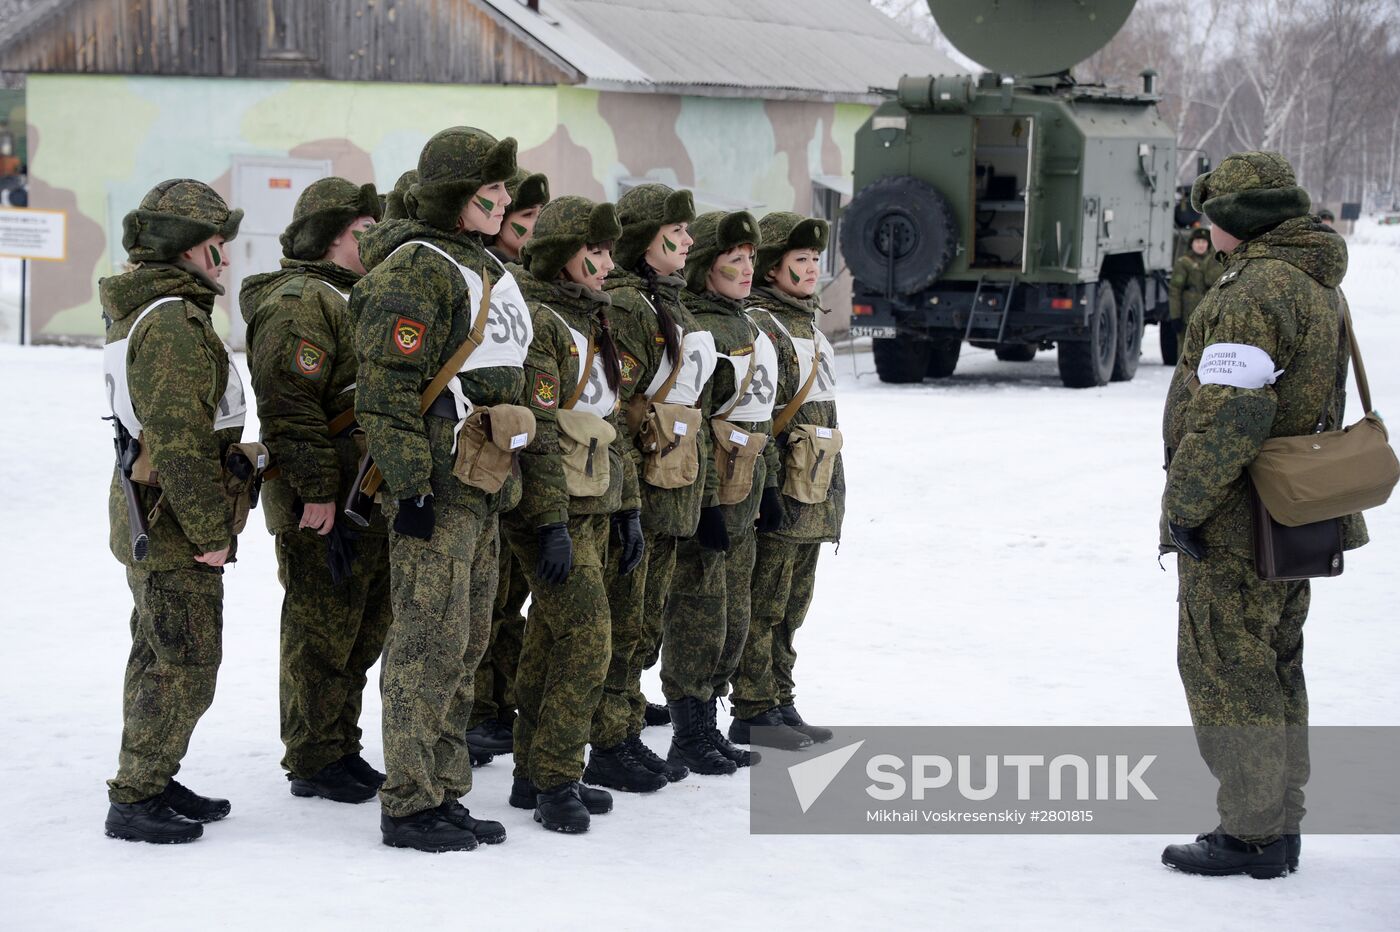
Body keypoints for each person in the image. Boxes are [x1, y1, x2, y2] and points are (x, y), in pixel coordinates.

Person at [1159, 151, 1365, 878]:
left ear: (1237, 221)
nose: (1204, 227)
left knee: (1223, 667)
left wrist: (1182, 507)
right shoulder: (1315, 282)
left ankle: (1250, 834)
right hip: (1294, 517)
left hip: (1236, 522)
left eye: (1212, 215)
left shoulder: (1251, 292)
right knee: (1277, 667)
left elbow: (1228, 419)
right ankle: (1279, 826)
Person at [352, 126, 529, 853]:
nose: (505, 200)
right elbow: (385, 388)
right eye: (491, 189)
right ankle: (411, 801)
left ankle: (445, 785)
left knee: (466, 640)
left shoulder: (478, 264)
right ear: (457, 195)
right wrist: (410, 485)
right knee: (426, 641)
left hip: (481, 480)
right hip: (438, 481)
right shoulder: (416, 267)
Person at [101, 179, 248, 843]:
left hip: (153, 516)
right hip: (173, 523)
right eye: (215, 248)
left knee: (155, 653)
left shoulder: (155, 310)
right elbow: (180, 444)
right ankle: (137, 796)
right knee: (184, 662)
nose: (224, 262)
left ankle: (154, 772)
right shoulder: (173, 323)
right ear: (184, 249)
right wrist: (212, 531)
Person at [240, 177, 391, 804]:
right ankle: (312, 755)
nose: (376, 240)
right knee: (320, 629)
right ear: (332, 238)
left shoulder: (355, 296)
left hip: (364, 491)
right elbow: (289, 407)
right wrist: (317, 493)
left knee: (361, 628)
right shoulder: (303, 301)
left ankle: (338, 744)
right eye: (364, 232)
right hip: (322, 498)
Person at [500, 194, 648, 830]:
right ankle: (559, 778)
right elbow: (535, 434)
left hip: (593, 505)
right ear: (562, 255)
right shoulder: (542, 324)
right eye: (594, 250)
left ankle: (532, 773)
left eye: (610, 250)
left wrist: (630, 508)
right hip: (550, 510)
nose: (606, 261)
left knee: (548, 638)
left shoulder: (593, 320)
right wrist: (551, 524)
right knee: (588, 640)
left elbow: (612, 425)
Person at [585, 182, 716, 789]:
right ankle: (609, 739)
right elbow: (618, 407)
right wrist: (625, 500)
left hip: (671, 481)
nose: (689, 241)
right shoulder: (632, 307)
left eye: (688, 231)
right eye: (676, 231)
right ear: (645, 240)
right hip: (640, 482)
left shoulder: (669, 301)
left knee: (645, 618)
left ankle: (624, 726)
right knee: (625, 615)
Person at [661, 209, 782, 773]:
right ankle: (689, 731)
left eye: (752, 259)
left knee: (734, 616)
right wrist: (706, 502)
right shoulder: (700, 331)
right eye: (735, 260)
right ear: (707, 267)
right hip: (713, 497)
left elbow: (763, 420)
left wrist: (772, 484)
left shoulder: (752, 327)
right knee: (699, 614)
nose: (747, 269)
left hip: (748, 491)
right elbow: (693, 426)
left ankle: (708, 723)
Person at [729, 211, 842, 751]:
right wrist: (768, 488)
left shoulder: (811, 327)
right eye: (801, 260)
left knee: (793, 605)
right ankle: (753, 705)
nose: (811, 269)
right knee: (766, 601)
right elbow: (760, 414)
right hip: (785, 488)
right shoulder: (763, 328)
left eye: (816, 259)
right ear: (774, 269)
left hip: (815, 488)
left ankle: (779, 695)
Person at [467, 165, 552, 765]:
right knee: (483, 604)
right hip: (477, 457)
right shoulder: (485, 282)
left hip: (518, 459)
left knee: (510, 598)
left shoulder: (527, 285)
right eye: (524, 223)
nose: (532, 233)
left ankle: (500, 703)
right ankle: (479, 710)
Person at [1162, 227, 1223, 366]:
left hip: (1209, 314)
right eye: (1197, 242)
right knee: (1185, 351)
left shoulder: (1214, 261)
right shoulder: (1184, 263)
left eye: (1203, 242)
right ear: (1192, 244)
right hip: (1187, 315)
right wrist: (1175, 316)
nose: (1201, 245)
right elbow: (1175, 291)